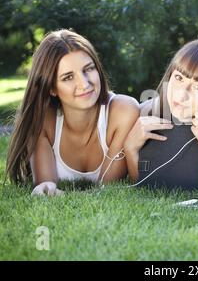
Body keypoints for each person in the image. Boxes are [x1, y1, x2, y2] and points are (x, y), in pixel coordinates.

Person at [6, 29, 139, 195]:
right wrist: (46, 189)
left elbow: (108, 188)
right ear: (52, 88)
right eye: (68, 77)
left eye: (88, 69)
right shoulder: (42, 119)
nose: (84, 84)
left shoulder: (123, 111)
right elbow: (47, 186)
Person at [124, 39, 198, 191]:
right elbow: (139, 183)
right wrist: (130, 148)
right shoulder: (143, 114)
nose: (181, 95)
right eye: (179, 78)